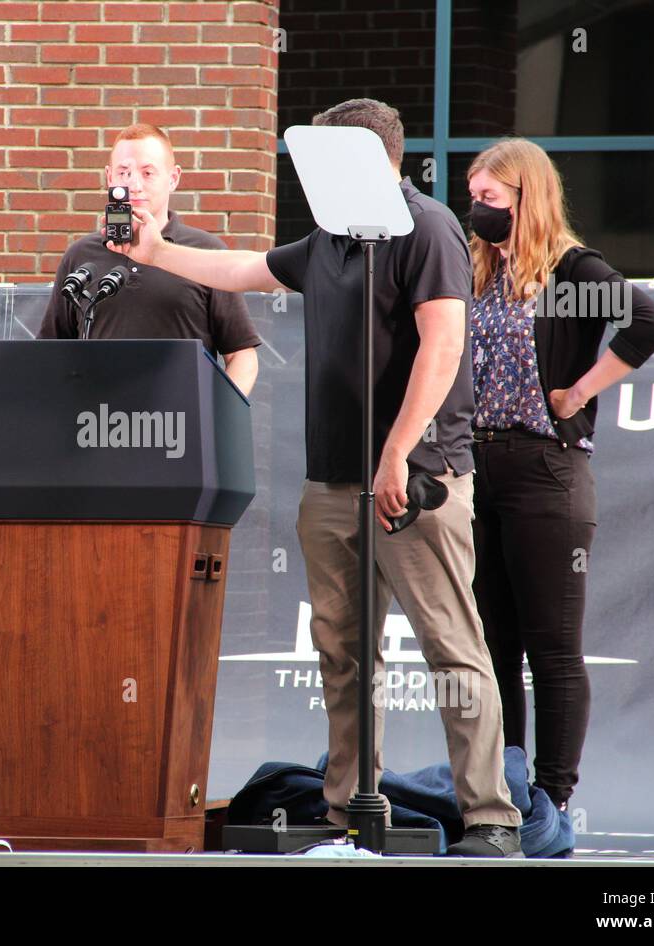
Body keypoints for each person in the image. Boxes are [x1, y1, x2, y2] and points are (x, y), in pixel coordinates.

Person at [110, 99, 524, 856]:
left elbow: (443, 346)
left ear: (372, 158)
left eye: (330, 157)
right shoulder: (332, 235)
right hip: (332, 483)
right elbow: (243, 269)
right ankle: (348, 809)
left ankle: (492, 818)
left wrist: (398, 451)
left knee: (452, 648)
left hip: (417, 477)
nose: (313, 175)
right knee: (343, 651)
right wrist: (154, 251)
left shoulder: (426, 227)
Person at [464, 139, 654, 813]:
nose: (477, 210)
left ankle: (552, 801)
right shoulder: (478, 274)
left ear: (528, 198)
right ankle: (503, 796)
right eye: (472, 198)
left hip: (546, 468)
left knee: (551, 648)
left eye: (490, 200)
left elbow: (647, 322)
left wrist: (580, 391)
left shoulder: (572, 270)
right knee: (494, 650)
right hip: (479, 466)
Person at [39, 123, 261, 395]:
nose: (134, 184)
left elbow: (242, 356)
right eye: (124, 172)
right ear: (109, 177)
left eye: (147, 173)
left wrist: (219, 415)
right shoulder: (81, 256)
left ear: (173, 177)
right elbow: (49, 352)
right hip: (94, 426)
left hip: (180, 427)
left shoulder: (205, 252)